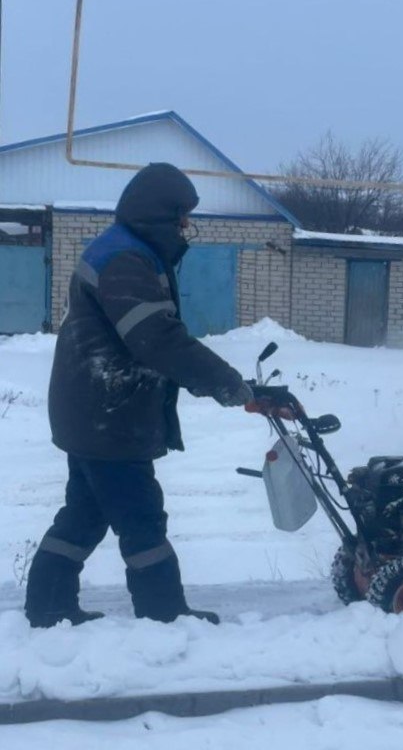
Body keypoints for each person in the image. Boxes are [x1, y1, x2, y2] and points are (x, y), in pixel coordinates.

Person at [24, 162, 253, 628]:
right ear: (158, 215)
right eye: (181, 217)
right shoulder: (126, 260)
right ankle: (164, 618)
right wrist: (227, 383)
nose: (187, 227)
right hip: (107, 415)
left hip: (96, 412)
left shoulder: (128, 251)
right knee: (142, 518)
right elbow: (157, 339)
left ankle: (48, 605)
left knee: (84, 515)